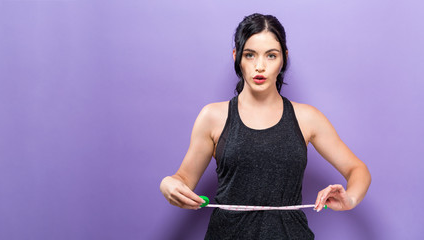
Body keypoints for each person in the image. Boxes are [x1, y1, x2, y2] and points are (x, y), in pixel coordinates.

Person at [159, 13, 371, 239]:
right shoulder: (213, 116)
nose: (260, 66)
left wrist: (350, 199)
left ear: (284, 58)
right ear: (236, 57)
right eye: (250, 55)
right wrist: (167, 184)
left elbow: (358, 170)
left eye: (271, 55)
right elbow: (183, 178)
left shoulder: (307, 118)